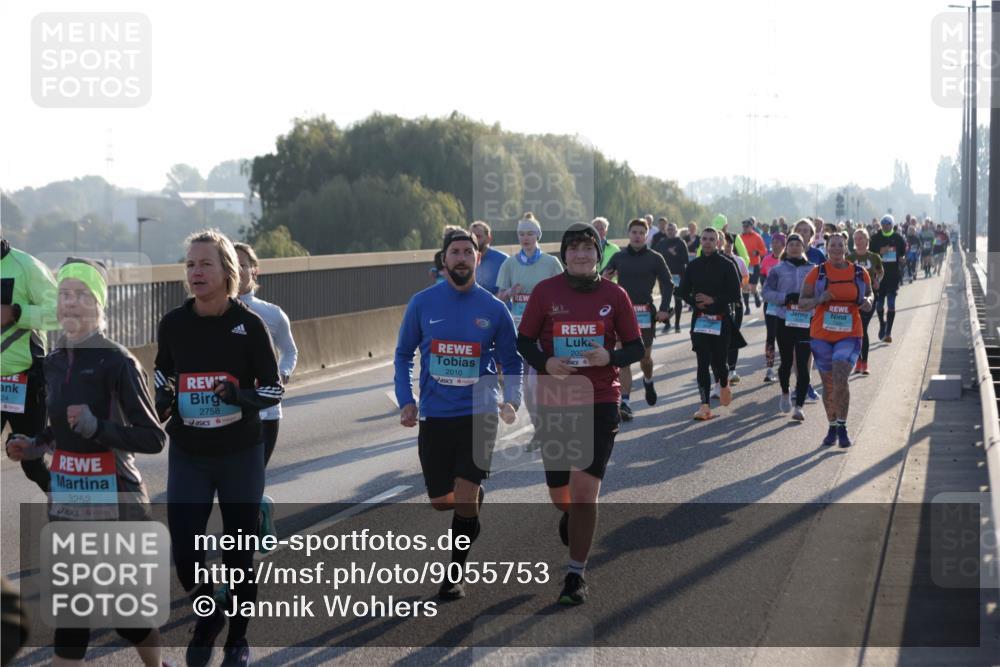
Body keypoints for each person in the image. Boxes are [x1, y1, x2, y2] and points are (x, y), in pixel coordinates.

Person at [5, 258, 169, 666]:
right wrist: (34, 444)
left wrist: (98, 428)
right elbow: (58, 429)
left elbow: (153, 437)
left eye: (82, 295)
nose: (71, 303)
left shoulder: (118, 361)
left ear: (99, 306)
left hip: (117, 502)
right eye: (64, 295)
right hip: (67, 501)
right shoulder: (55, 360)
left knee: (125, 615)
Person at [155, 230, 283, 667]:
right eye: (190, 264)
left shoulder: (250, 326)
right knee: (186, 553)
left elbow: (273, 389)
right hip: (190, 453)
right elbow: (162, 374)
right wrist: (161, 398)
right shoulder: (173, 324)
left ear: (227, 270)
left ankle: (238, 641)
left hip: (239, 454)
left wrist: (239, 397)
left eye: (204, 264)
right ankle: (210, 615)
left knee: (239, 552)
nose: (195, 272)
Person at [517, 222, 643, 604]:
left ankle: (576, 575)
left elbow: (635, 348)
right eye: (574, 249)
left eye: (589, 248)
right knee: (562, 495)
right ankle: (571, 518)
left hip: (601, 398)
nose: (582, 255)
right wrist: (546, 361)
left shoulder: (614, 295)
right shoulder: (545, 292)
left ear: (599, 253)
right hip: (555, 398)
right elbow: (523, 341)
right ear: (564, 255)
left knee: (586, 494)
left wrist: (611, 356)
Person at [395, 228, 521, 600]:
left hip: (479, 411)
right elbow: (403, 355)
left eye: (469, 251)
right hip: (435, 413)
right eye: (455, 252)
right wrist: (407, 399)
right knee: (441, 500)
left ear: (478, 259)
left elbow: (512, 360)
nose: (462, 257)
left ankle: (454, 572)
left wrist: (511, 398)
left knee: (465, 493)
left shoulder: (494, 309)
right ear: (444, 259)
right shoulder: (422, 303)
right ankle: (470, 504)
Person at [234, 242, 298, 547]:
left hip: (266, 413)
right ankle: (259, 511)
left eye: (243, 263)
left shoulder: (271, 314)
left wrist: (281, 376)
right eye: (231, 263)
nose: (238, 268)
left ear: (253, 270)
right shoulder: (210, 313)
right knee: (235, 484)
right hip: (228, 412)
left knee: (248, 481)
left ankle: (241, 553)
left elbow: (290, 351)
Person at [798, 233, 874, 447]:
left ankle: (842, 426)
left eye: (841, 244)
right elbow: (802, 302)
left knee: (841, 378)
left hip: (850, 334)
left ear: (846, 248)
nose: (837, 248)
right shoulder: (817, 273)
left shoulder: (860, 273)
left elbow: (869, 294)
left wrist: (868, 301)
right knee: (828, 384)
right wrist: (819, 299)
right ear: (827, 248)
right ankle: (832, 427)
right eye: (833, 245)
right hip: (821, 335)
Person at [496, 213, 562, 447]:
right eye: (521, 233)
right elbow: (499, 296)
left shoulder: (551, 263)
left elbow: (564, 291)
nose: (525, 237)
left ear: (537, 235)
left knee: (540, 383)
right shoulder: (510, 263)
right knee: (527, 386)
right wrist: (509, 293)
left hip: (545, 331)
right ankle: (540, 430)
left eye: (529, 233)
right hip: (519, 329)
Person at [1, 239, 58, 492]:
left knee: (32, 464)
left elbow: (60, 313)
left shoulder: (27, 266)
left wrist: (17, 312)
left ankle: (69, 505)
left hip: (26, 381)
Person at [602, 218, 673, 415]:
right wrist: (605, 279)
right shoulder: (619, 256)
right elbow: (601, 277)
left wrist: (664, 308)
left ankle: (648, 380)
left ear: (647, 235)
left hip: (645, 313)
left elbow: (668, 284)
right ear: (628, 234)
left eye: (642, 233)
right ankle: (625, 402)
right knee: (623, 359)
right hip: (623, 313)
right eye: (634, 232)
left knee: (645, 358)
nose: (637, 236)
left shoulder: (655, 258)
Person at [678, 227, 742, 421]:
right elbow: (682, 291)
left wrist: (713, 300)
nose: (707, 242)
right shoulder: (694, 265)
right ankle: (705, 406)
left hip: (721, 320)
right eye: (704, 238)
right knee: (702, 362)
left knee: (719, 362)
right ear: (701, 241)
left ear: (718, 243)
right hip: (700, 321)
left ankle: (723, 383)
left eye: (711, 239)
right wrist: (695, 302)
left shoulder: (727, 264)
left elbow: (735, 296)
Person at [763, 234, 815, 419]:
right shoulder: (777, 269)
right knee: (785, 363)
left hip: (805, 320)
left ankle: (799, 406)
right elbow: (766, 293)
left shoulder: (813, 269)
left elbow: (821, 292)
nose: (794, 247)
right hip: (784, 320)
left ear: (803, 247)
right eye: (791, 244)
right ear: (787, 247)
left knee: (802, 364)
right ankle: (785, 392)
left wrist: (809, 301)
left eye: (797, 244)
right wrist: (785, 297)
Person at [847, 229, 883, 375]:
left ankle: (864, 363)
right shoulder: (849, 257)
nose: (859, 241)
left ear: (867, 240)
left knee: (862, 329)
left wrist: (877, 281)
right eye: (856, 238)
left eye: (862, 238)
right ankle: (858, 361)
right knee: (856, 330)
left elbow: (880, 271)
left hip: (869, 297)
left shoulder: (874, 257)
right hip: (853, 298)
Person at [869, 215, 907, 344]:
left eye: (888, 224)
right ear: (881, 225)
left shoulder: (898, 238)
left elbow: (902, 253)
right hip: (879, 277)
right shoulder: (875, 238)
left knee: (891, 304)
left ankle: (888, 332)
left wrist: (902, 258)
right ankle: (882, 324)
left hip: (893, 276)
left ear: (892, 225)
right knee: (879, 305)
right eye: (884, 224)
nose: (886, 226)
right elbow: (870, 255)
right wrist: (880, 252)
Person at [720, 233, 749, 389]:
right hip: (721, 304)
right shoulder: (717, 261)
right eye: (725, 244)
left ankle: (732, 369)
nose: (728, 246)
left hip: (736, 303)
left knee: (733, 335)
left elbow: (745, 278)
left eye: (730, 244)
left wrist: (739, 286)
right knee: (720, 338)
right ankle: (721, 368)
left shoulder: (739, 260)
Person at [651, 221, 689, 333]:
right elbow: (654, 255)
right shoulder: (662, 243)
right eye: (669, 230)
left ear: (676, 231)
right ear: (666, 231)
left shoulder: (681, 243)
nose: (670, 232)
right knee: (665, 301)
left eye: (672, 230)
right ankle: (667, 324)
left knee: (678, 300)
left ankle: (677, 325)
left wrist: (675, 254)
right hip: (664, 276)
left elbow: (686, 260)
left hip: (678, 275)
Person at [760, 233, 786, 383]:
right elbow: (763, 278)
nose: (775, 244)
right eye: (774, 241)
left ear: (784, 245)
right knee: (771, 335)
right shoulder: (767, 259)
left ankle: (785, 366)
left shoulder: (787, 260)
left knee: (784, 336)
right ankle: (769, 369)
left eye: (779, 242)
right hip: (770, 304)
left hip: (785, 304)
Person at [469, 221, 509, 295]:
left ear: (488, 238)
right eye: (472, 237)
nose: (474, 240)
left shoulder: (503, 260)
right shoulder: (466, 260)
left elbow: (507, 290)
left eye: (478, 236)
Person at [739, 218, 768, 312]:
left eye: (747, 226)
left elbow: (764, 251)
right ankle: (747, 307)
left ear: (751, 227)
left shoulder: (757, 237)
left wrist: (757, 252)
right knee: (745, 286)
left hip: (754, 265)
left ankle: (755, 294)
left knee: (753, 287)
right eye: (743, 226)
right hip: (744, 265)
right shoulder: (739, 237)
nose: (745, 228)